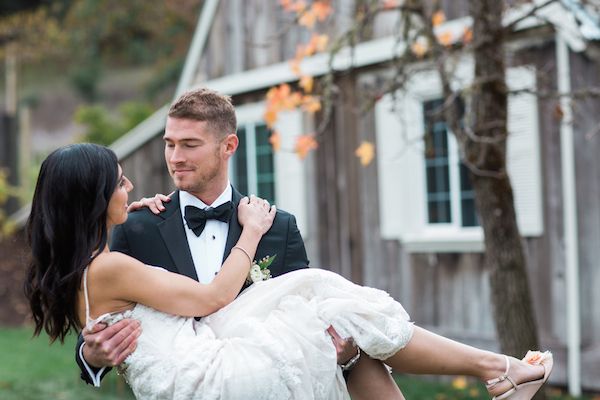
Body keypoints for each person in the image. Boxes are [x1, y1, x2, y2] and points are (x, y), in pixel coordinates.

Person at [26, 145, 553, 400]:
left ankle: (497, 370)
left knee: (335, 315)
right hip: (211, 378)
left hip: (198, 363)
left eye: (186, 145)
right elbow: (209, 299)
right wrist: (250, 232)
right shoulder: (123, 252)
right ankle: (498, 370)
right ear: (94, 198)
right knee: (331, 303)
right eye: (118, 183)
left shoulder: (85, 267)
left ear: (226, 145)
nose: (134, 185)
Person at [75, 88, 403, 398]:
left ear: (229, 146)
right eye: (169, 144)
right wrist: (91, 354)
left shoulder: (278, 228)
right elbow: (104, 309)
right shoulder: (138, 227)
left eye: (189, 144)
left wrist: (342, 349)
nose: (175, 157)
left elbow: (305, 314)